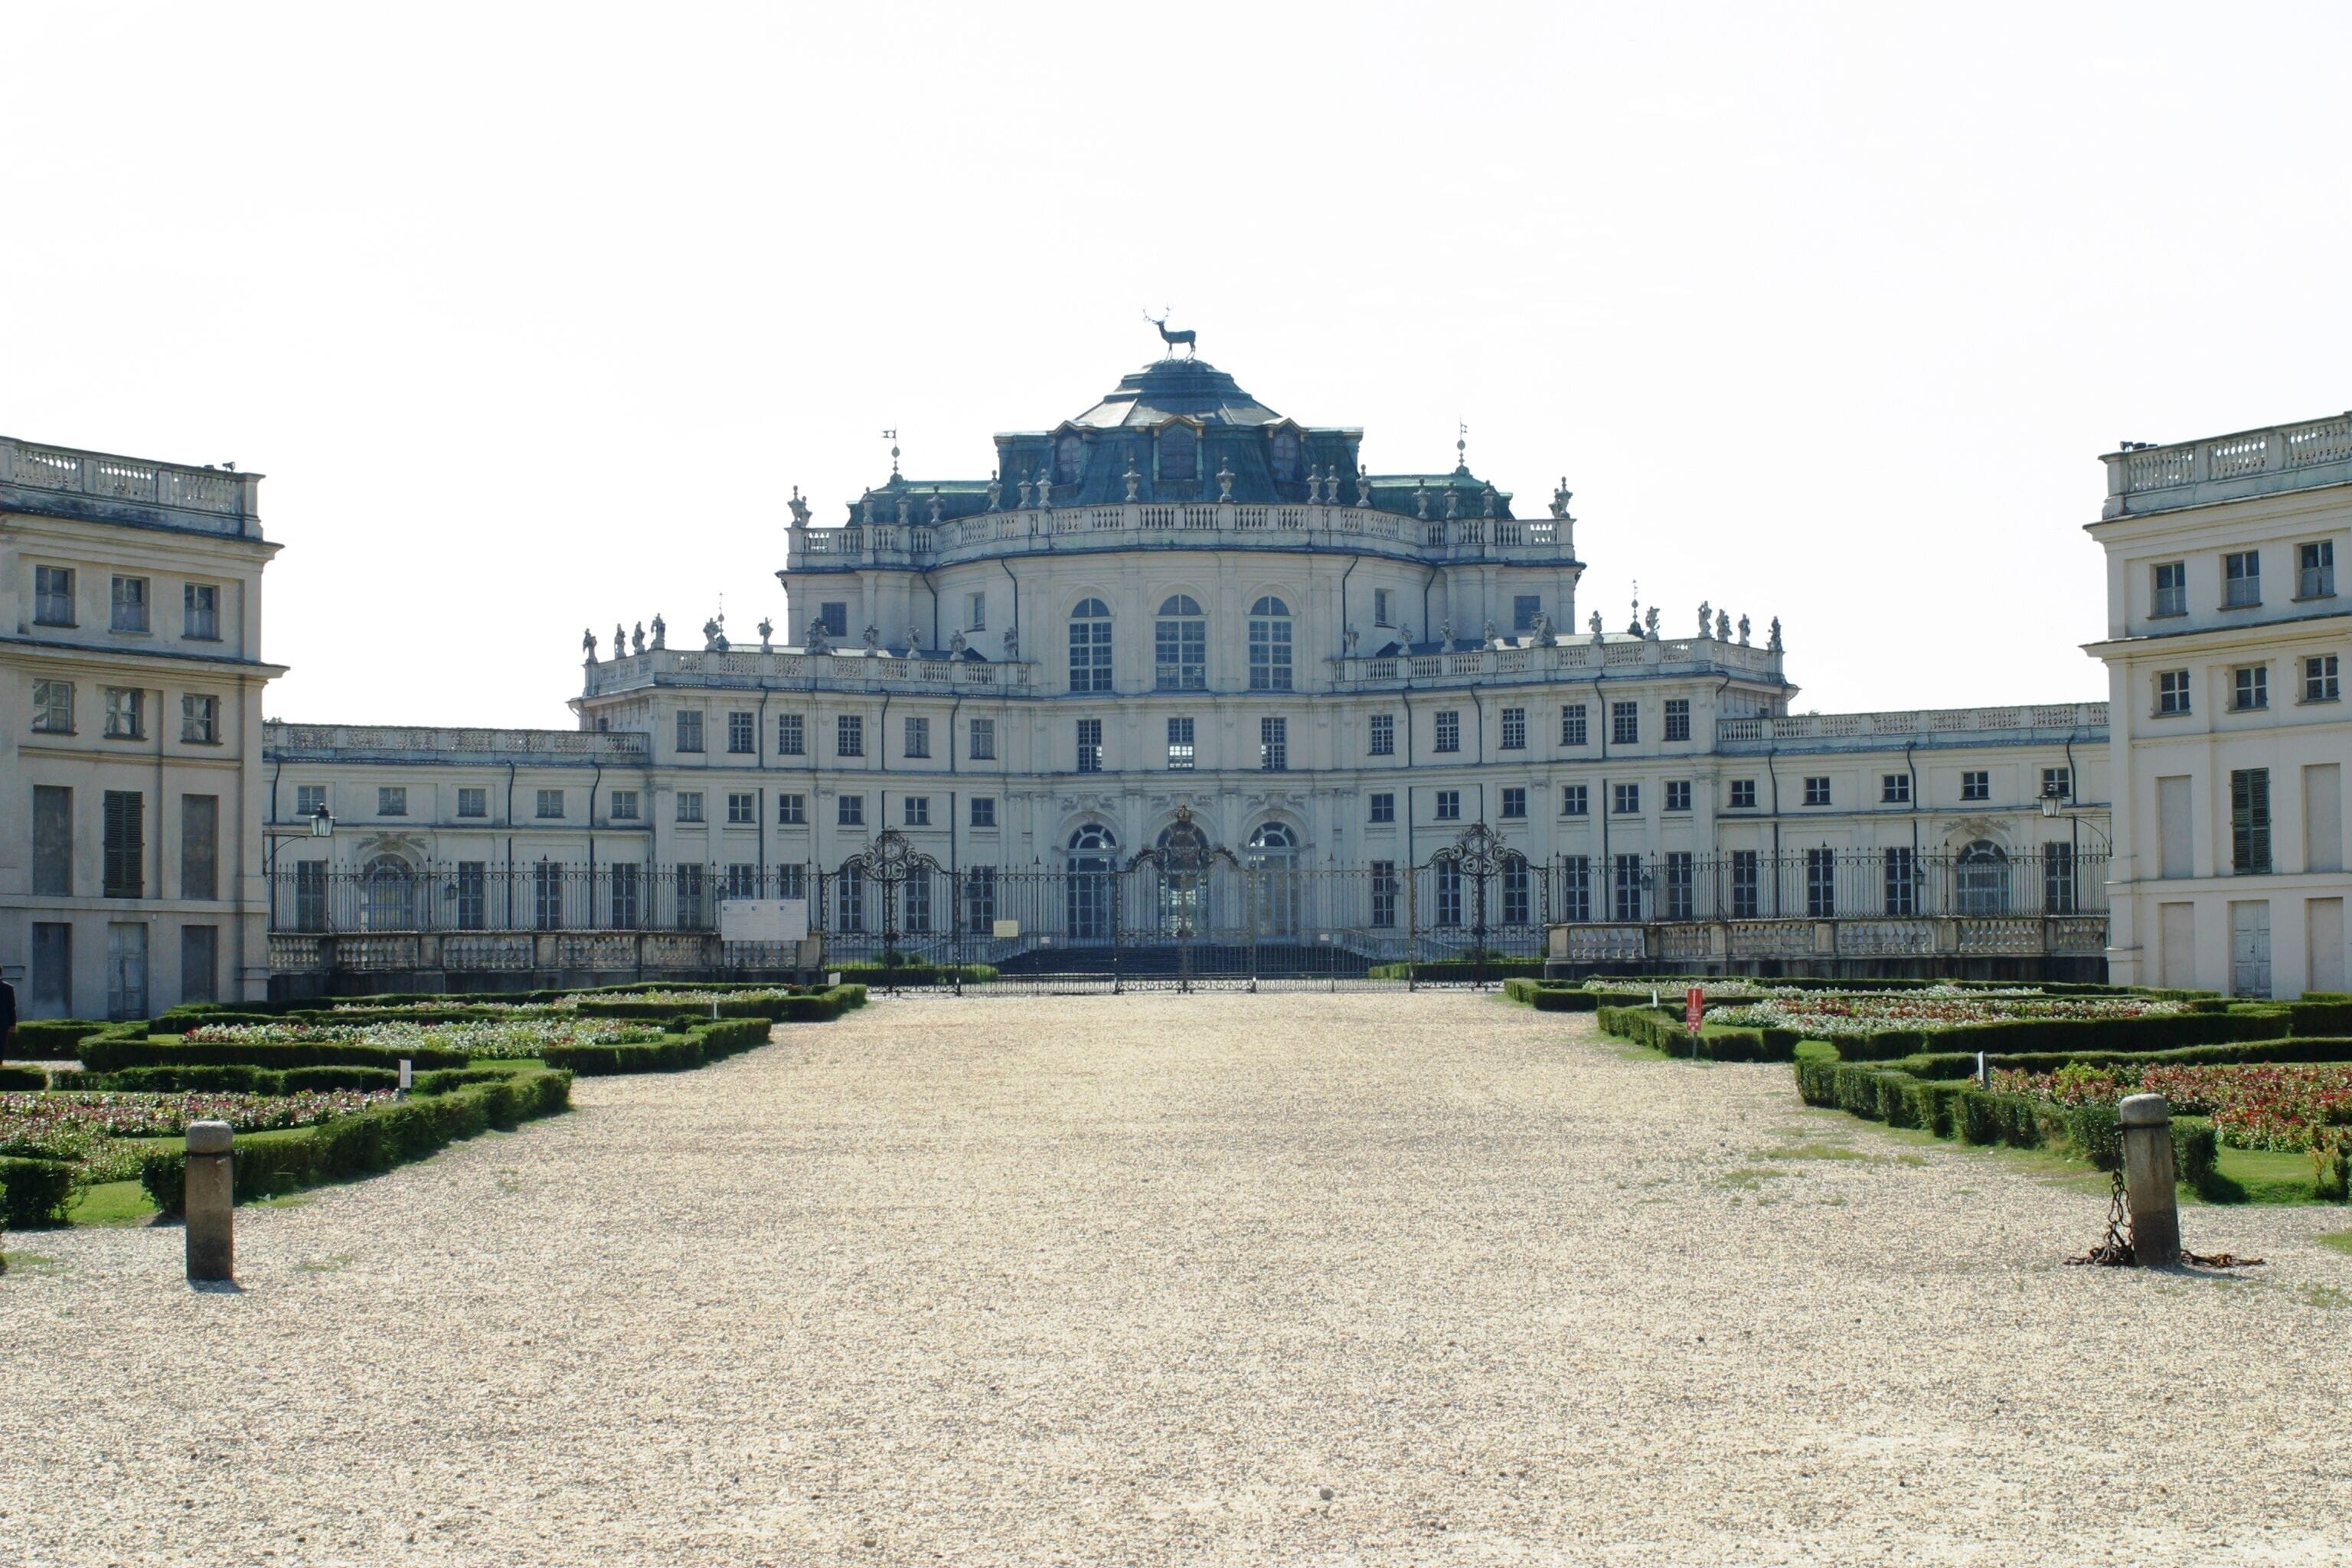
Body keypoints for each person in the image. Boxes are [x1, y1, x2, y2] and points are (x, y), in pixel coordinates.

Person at [0, 973, 16, 1062]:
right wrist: (13, 1024)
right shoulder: (8, 988)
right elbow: (12, 1007)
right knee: (1, 1044)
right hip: (3, 1022)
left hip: (3, 1022)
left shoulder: (8, 988)